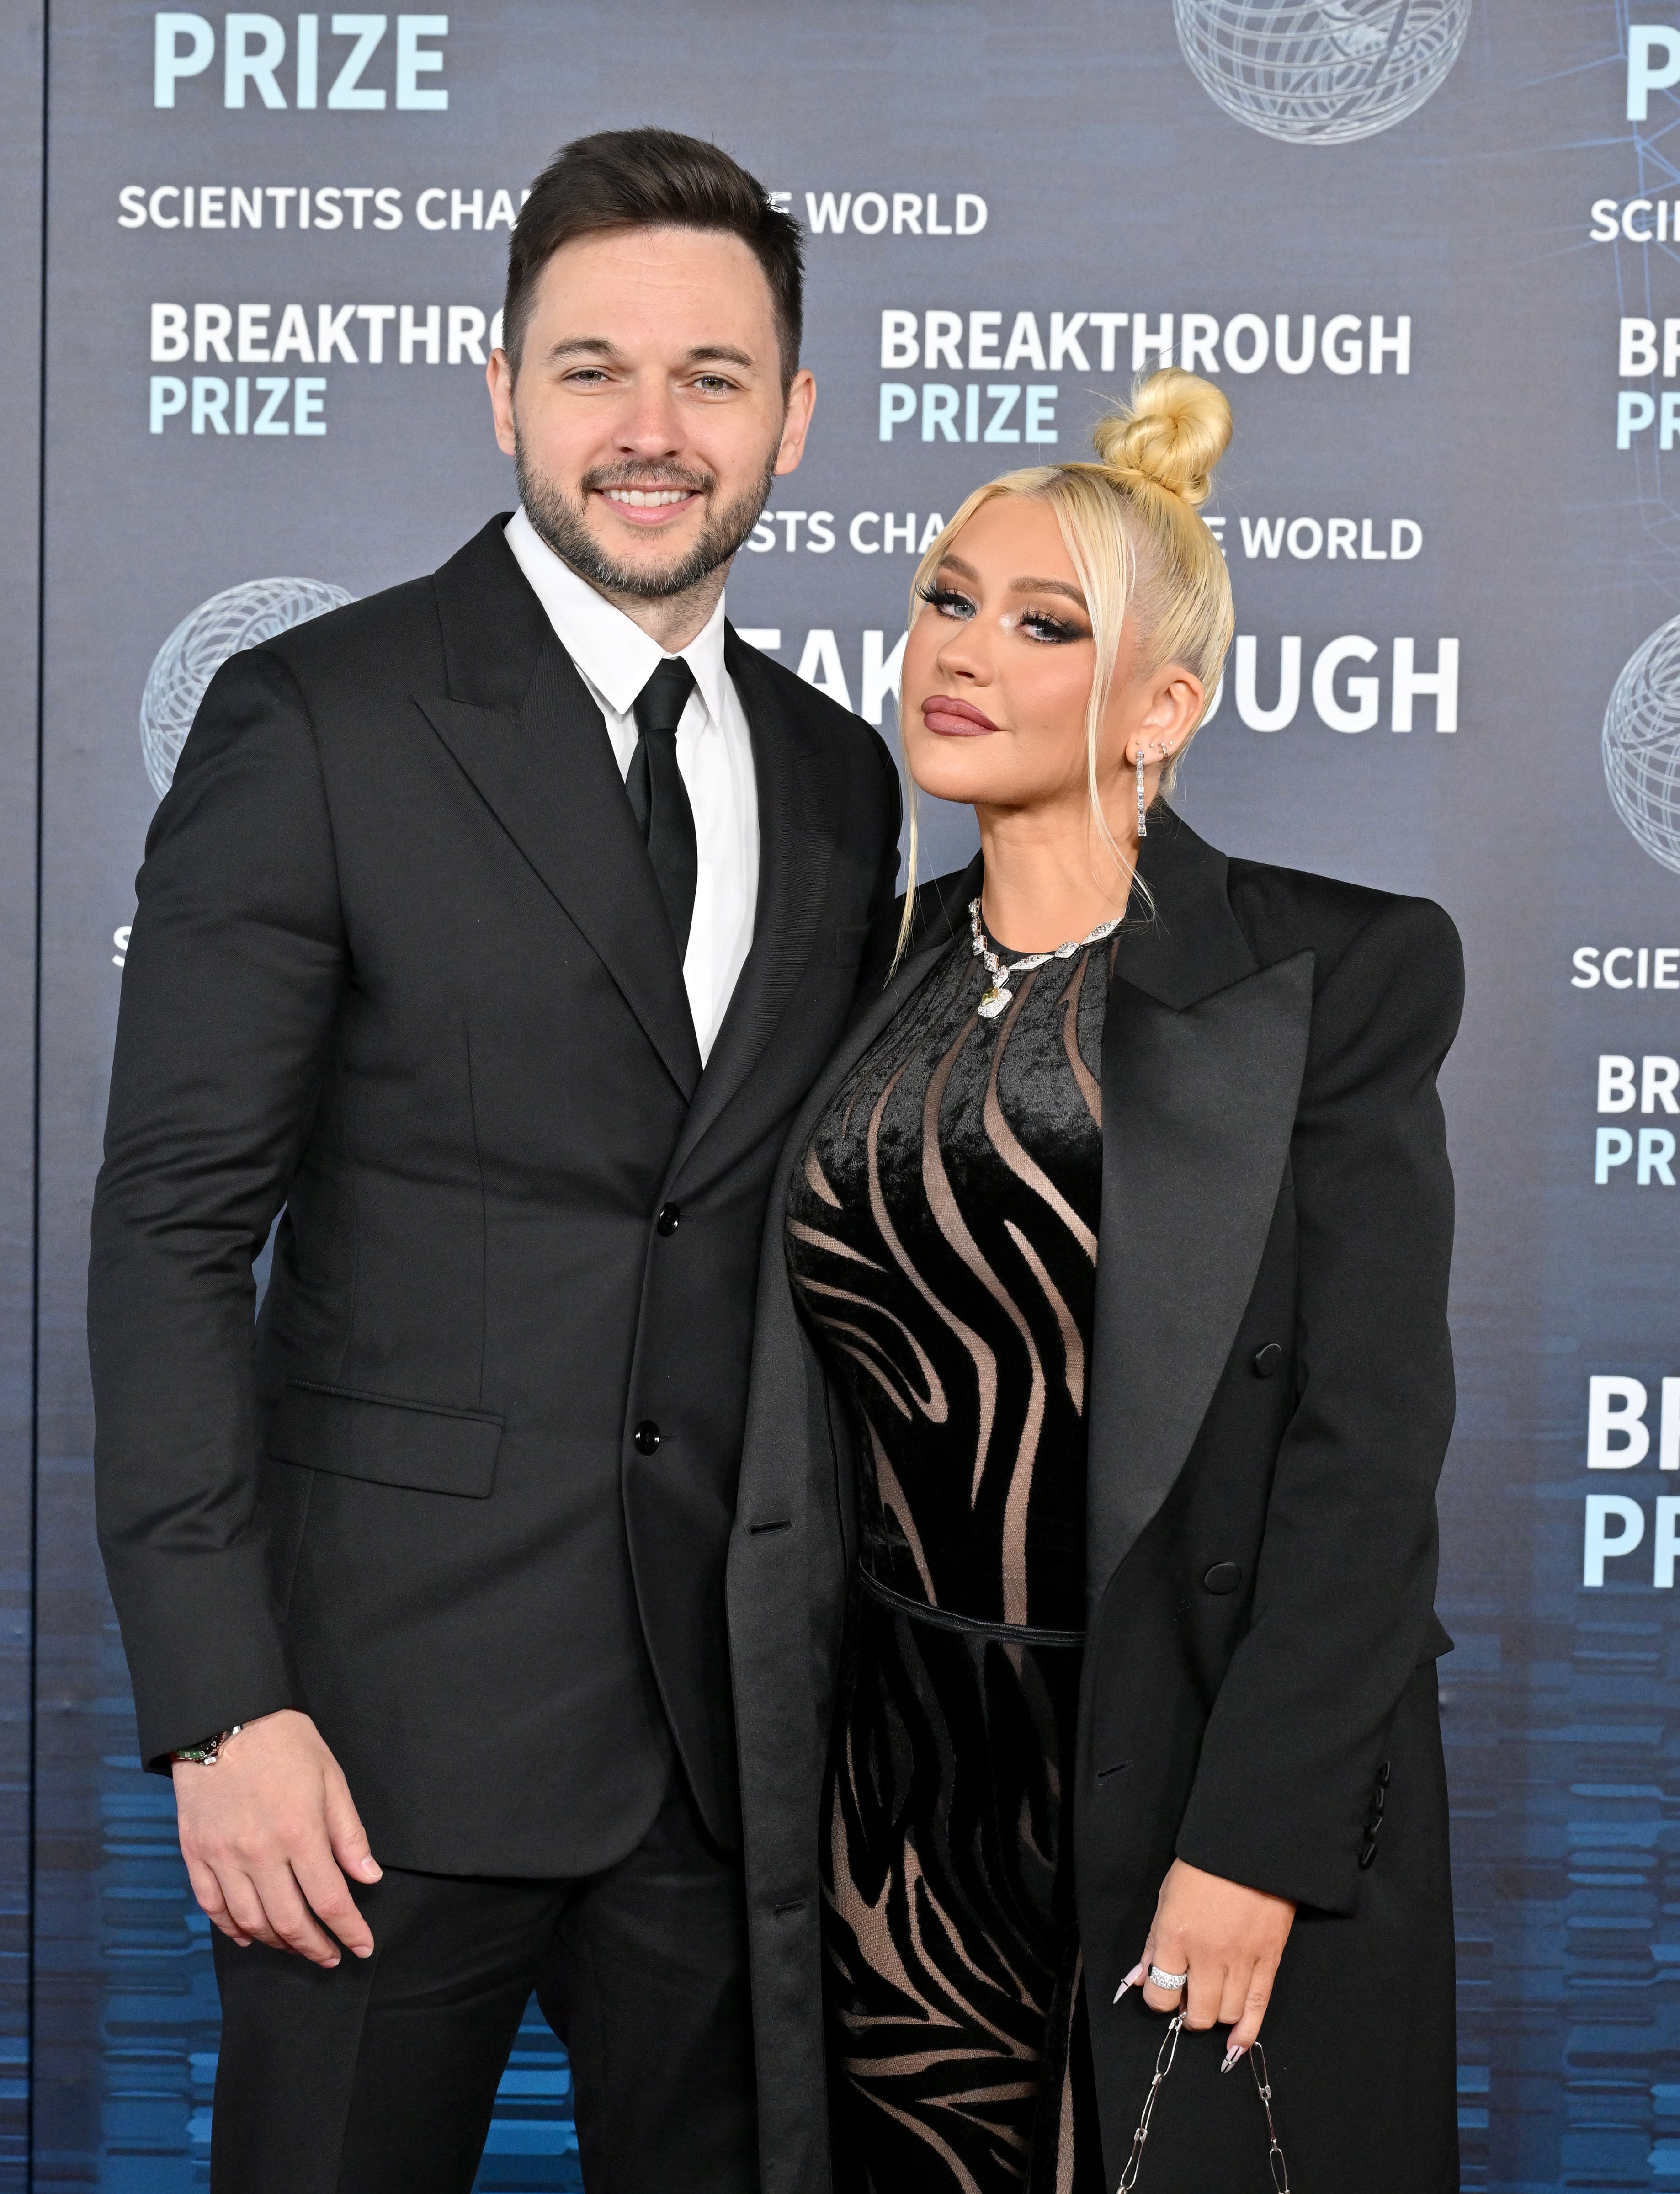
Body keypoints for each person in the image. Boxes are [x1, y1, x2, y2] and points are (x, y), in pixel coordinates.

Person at [87, 126, 899, 2194]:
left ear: (794, 419)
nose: (651, 429)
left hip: (731, 1775)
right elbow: (174, 1231)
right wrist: (219, 1712)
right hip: (368, 1752)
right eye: (592, 368)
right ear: (500, 391)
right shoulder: (319, 719)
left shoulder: (839, 775)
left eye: (712, 378)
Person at [728, 367, 1462, 2194]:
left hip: (1171, 1782)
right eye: (944, 600)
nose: (956, 652)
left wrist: (1258, 1843)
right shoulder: (848, 968)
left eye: (1041, 623)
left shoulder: (1331, 975)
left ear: (1163, 705)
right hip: (892, 1801)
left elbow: (1366, 1462)